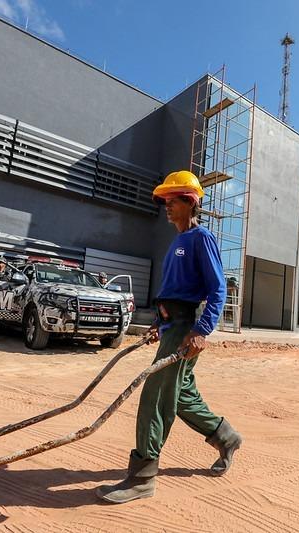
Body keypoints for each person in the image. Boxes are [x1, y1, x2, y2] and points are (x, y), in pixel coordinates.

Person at [96, 170, 242, 504]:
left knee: (155, 395)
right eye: (165, 200)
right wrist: (158, 325)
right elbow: (173, 294)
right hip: (170, 326)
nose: (166, 206)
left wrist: (201, 331)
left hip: (184, 329)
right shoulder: (177, 242)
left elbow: (217, 289)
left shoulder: (200, 237)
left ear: (189, 202)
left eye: (172, 200)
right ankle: (226, 436)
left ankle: (143, 476)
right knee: (179, 393)